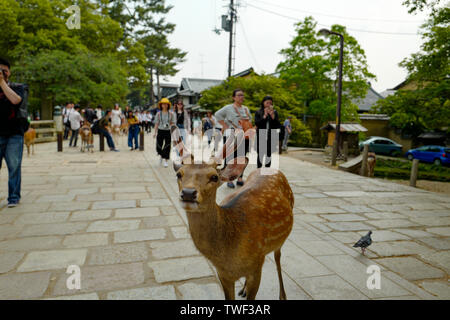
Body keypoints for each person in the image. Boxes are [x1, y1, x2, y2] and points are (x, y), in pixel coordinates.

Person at [0, 57, 27, 207]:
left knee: (14, 166)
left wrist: (2, 83)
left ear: (9, 72)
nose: (1, 73)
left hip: (14, 133)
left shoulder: (18, 87)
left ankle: (14, 197)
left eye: (4, 70)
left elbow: (16, 101)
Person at [215, 89, 253, 188]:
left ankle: (240, 178)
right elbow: (217, 114)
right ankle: (229, 179)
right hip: (231, 134)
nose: (241, 97)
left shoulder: (246, 109)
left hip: (244, 135)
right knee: (230, 157)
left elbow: (250, 119)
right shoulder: (228, 108)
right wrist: (225, 126)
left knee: (241, 157)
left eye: (242, 95)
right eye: (239, 95)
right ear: (234, 97)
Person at [254, 96, 281, 168]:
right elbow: (257, 123)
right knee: (260, 154)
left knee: (268, 154)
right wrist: (265, 115)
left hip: (271, 136)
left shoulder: (274, 112)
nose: (269, 104)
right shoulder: (258, 112)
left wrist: (272, 116)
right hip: (261, 136)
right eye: (267, 102)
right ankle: (258, 171)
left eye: (270, 103)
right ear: (263, 103)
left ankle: (267, 171)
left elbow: (277, 125)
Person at [154, 98, 176, 168]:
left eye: (166, 104)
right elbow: (156, 123)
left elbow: (173, 123)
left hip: (168, 131)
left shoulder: (171, 114)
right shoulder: (158, 114)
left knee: (167, 145)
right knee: (158, 145)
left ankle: (166, 160)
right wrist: (155, 132)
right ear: (161, 105)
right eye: (163, 104)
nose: (165, 105)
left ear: (168, 105)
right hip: (160, 130)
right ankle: (161, 155)